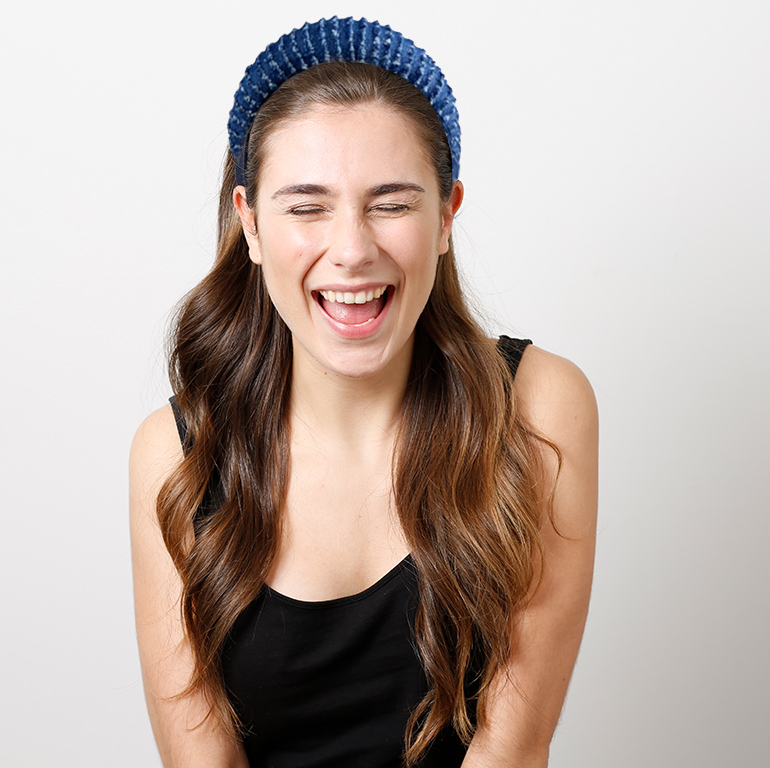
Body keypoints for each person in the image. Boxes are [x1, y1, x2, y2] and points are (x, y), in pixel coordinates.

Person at [130, 17, 597, 768]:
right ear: (251, 225)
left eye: (392, 203)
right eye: (306, 206)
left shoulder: (540, 408)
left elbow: (513, 749)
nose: (351, 250)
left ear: (446, 216)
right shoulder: (176, 454)